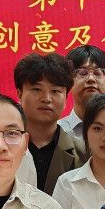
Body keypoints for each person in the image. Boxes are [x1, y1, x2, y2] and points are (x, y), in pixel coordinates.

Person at [15, 53, 86, 197]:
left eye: (55, 91)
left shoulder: (83, 154)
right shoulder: (1, 146)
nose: (46, 99)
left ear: (66, 98)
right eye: (37, 89)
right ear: (20, 94)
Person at [60, 44, 105, 132]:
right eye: (82, 73)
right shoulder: (55, 132)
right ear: (69, 82)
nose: (91, 79)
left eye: (97, 73)